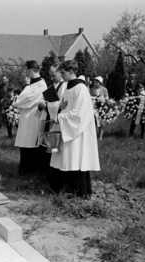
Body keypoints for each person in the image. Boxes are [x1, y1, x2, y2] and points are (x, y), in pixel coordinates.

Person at [50, 60, 100, 198]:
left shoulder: (81, 88)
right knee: (67, 159)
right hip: (67, 128)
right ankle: (67, 190)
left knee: (76, 159)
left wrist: (60, 118)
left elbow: (79, 114)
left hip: (77, 131)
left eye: (63, 72)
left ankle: (80, 192)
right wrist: (59, 110)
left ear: (71, 72)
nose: (61, 75)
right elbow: (66, 107)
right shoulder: (68, 87)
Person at [13, 60, 48, 175]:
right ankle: (25, 170)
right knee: (26, 144)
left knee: (31, 143)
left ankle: (29, 171)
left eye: (26, 70)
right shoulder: (34, 83)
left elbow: (21, 100)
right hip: (27, 118)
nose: (25, 72)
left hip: (33, 118)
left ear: (30, 69)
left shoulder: (40, 84)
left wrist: (26, 85)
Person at [37, 63, 67, 192]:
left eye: (53, 75)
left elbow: (62, 105)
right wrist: (43, 104)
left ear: (60, 73)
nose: (51, 78)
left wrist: (48, 105)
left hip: (57, 122)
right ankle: (47, 175)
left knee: (55, 149)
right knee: (48, 148)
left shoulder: (65, 87)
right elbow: (42, 100)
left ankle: (55, 177)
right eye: (50, 75)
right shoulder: (52, 86)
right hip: (49, 119)